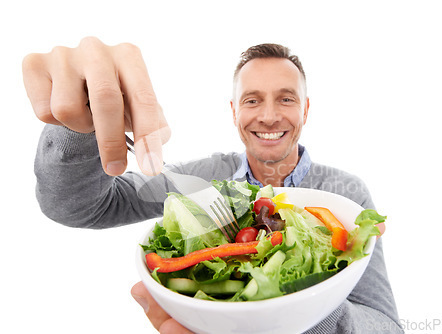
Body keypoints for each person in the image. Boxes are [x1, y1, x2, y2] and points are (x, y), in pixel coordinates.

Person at [23, 37, 401, 333]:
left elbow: (384, 327)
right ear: (235, 111)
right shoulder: (204, 178)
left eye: (286, 99)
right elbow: (78, 206)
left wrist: (296, 310)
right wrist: (80, 122)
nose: (269, 116)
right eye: (252, 100)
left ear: (304, 109)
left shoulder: (346, 194)